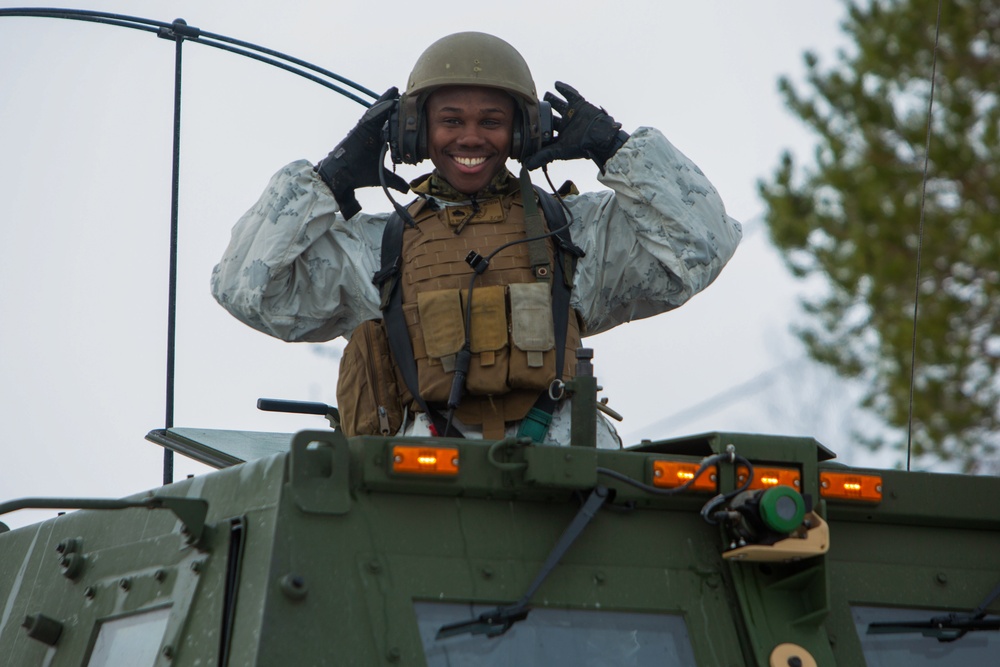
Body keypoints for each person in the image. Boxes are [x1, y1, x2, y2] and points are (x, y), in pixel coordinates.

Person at [212, 32, 742, 449]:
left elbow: (703, 245)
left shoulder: (576, 232)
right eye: (450, 121)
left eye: (492, 121)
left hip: (566, 478)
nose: (470, 137)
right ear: (416, 131)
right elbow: (246, 290)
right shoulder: (378, 247)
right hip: (423, 486)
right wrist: (326, 181)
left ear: (524, 131)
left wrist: (616, 149)